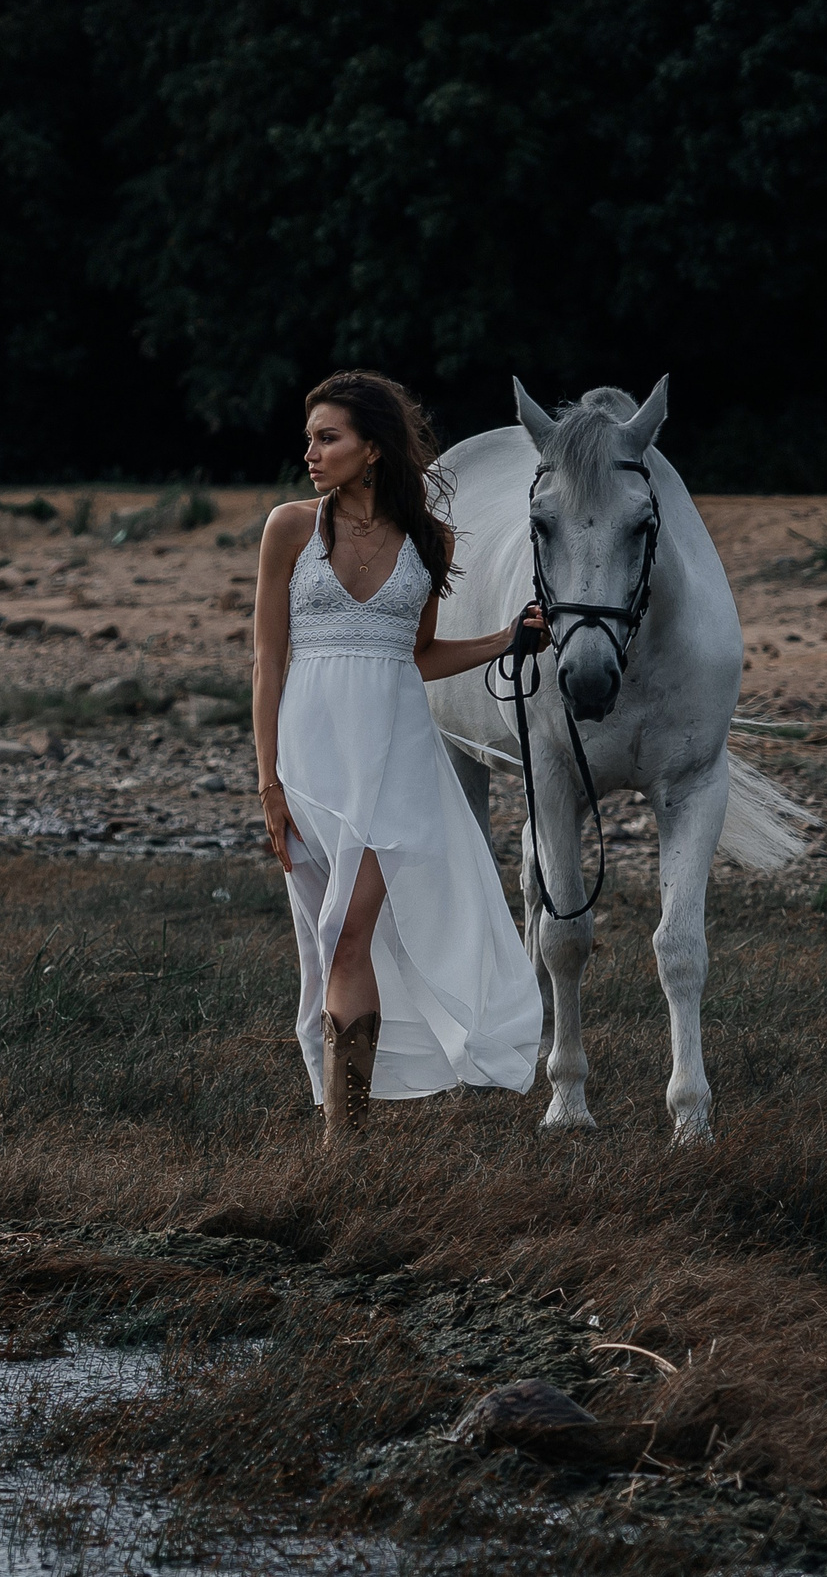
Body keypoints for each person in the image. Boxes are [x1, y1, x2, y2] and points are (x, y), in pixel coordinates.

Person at [250, 370, 548, 1144]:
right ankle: (338, 1110)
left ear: (373, 448)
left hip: (397, 762)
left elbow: (418, 654)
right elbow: (266, 662)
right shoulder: (289, 528)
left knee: (349, 929)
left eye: (328, 437)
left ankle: (341, 1146)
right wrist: (269, 782)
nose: (310, 451)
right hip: (311, 765)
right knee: (322, 944)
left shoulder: (429, 540)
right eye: (310, 437)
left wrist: (506, 640)